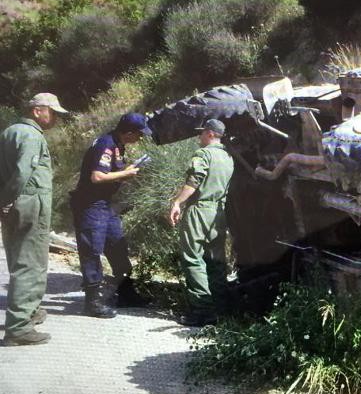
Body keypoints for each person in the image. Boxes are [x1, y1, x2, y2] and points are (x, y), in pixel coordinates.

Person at [0, 93, 68, 346]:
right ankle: (18, 328)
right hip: (28, 205)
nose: (56, 118)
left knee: (21, 259)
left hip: (16, 205)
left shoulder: (10, 132)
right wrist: (6, 200)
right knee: (30, 264)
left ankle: (29, 312)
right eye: (53, 112)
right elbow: (22, 173)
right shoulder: (31, 135)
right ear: (37, 110)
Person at [70, 113, 152, 318]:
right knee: (91, 250)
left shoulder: (117, 144)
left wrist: (127, 170)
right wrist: (125, 174)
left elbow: (110, 173)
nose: (140, 138)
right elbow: (97, 176)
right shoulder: (106, 144)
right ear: (130, 132)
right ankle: (93, 301)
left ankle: (125, 293)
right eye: (139, 134)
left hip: (105, 205)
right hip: (90, 205)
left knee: (117, 246)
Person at [169, 119, 234, 326]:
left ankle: (202, 310)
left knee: (193, 259)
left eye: (202, 133)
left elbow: (194, 181)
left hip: (200, 210)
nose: (200, 137)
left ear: (210, 134)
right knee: (216, 261)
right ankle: (222, 308)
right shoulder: (228, 156)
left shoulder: (204, 154)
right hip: (219, 212)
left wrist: (178, 202)